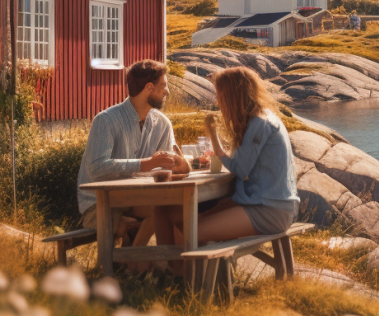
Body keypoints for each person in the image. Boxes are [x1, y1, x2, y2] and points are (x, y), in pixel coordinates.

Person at [159, 66, 299, 245]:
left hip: (269, 209)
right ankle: (173, 270)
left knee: (191, 230)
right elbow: (243, 163)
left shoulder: (260, 124)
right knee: (179, 216)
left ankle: (179, 271)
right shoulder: (261, 118)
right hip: (264, 203)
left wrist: (215, 140)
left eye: (220, 96)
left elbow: (240, 170)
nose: (219, 102)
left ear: (233, 96)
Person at [77, 59, 188, 244]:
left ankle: (151, 264)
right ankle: (135, 261)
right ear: (149, 88)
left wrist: (178, 165)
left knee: (173, 210)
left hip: (138, 200)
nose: (167, 91)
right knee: (158, 213)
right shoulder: (106, 120)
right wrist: (146, 164)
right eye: (164, 85)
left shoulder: (162, 124)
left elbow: (166, 170)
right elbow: (96, 167)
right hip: (100, 204)